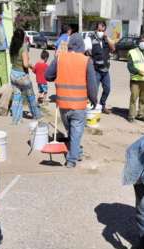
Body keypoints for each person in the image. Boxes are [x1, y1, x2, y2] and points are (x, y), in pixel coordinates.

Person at [45, 33, 98, 168]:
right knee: (76, 131)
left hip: (63, 104)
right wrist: (94, 99)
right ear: (81, 46)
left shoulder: (60, 58)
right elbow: (92, 84)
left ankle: (77, 152)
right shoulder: (86, 61)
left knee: (72, 131)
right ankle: (71, 159)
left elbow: (48, 76)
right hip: (79, 105)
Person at [9, 28, 42, 125]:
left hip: (13, 74)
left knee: (17, 97)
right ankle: (36, 116)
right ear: (23, 37)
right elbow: (25, 64)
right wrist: (32, 66)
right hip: (22, 76)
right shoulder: (23, 47)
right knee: (30, 96)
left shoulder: (12, 46)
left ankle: (16, 120)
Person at [89, 21, 115, 114]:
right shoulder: (92, 39)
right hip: (96, 70)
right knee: (94, 90)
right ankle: (93, 106)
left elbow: (113, 49)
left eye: (102, 30)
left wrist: (106, 37)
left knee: (107, 89)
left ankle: (102, 105)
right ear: (96, 29)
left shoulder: (106, 39)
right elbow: (88, 52)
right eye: (99, 30)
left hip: (105, 70)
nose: (100, 31)